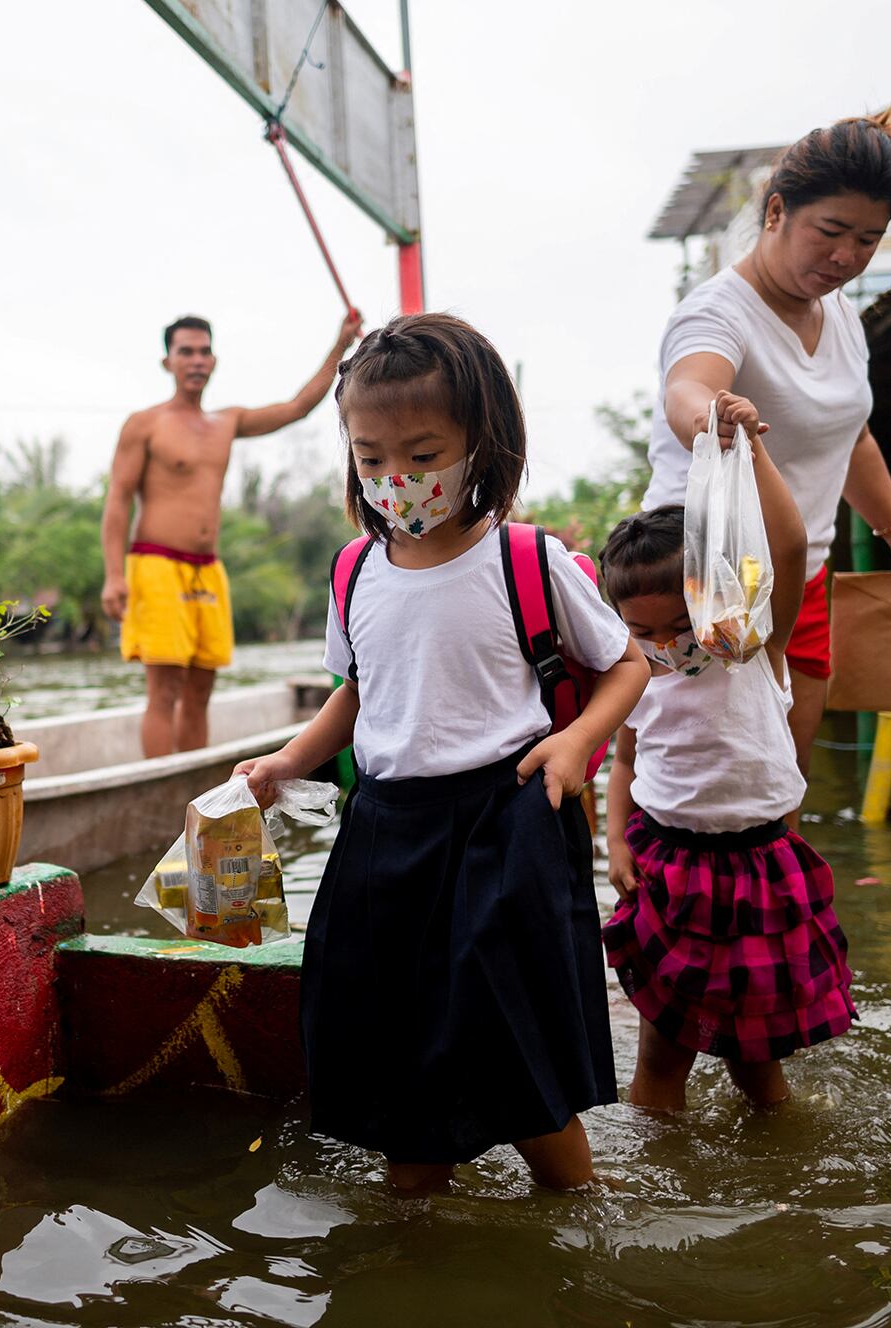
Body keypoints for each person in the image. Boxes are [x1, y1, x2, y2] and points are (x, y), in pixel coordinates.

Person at [235, 314, 650, 1191]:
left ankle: (577, 1213)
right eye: (372, 457)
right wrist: (284, 764)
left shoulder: (530, 560)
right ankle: (412, 1227)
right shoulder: (356, 574)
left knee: (513, 1033)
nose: (398, 479)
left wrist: (577, 741)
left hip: (508, 822)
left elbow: (627, 662)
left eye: (423, 455)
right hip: (387, 833)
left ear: (481, 442)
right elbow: (358, 693)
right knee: (398, 1039)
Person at [644, 110, 891, 773]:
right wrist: (714, 418)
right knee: (698, 791)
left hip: (801, 580)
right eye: (831, 232)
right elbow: (687, 390)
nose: (846, 257)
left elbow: (851, 437)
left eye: (868, 240)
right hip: (701, 583)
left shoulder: (843, 317)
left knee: (783, 782)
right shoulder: (716, 310)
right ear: (777, 212)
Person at [599, 432, 857, 1113]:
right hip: (671, 868)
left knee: (760, 1070)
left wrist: (758, 455)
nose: (662, 645)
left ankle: (776, 1181)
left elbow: (793, 547)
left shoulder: (753, 651)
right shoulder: (634, 679)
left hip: (762, 868)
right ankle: (658, 1190)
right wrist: (617, 844)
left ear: (710, 600)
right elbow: (624, 763)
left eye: (679, 624)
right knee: (661, 1063)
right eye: (640, 630)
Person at [102, 310, 363, 758]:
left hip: (207, 571)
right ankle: (164, 798)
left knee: (202, 690)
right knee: (164, 691)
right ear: (168, 361)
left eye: (204, 351)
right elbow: (118, 500)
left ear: (214, 360)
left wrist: (341, 344)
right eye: (186, 351)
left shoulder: (225, 423)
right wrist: (113, 575)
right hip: (155, 564)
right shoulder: (146, 424)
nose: (196, 360)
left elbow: (296, 408)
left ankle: (192, 794)